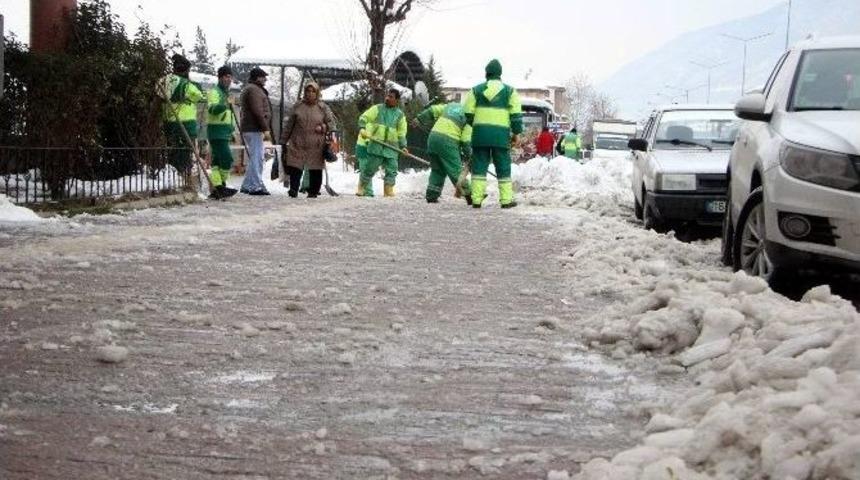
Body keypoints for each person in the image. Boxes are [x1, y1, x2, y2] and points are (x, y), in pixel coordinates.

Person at [464, 59, 523, 209]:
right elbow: (516, 116)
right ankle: (506, 200)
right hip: (501, 136)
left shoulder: (475, 90)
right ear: (500, 73)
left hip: (480, 136)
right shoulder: (510, 91)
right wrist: (516, 133)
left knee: (479, 168)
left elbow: (468, 114)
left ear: (486, 73)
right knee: (503, 167)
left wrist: (478, 126)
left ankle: (476, 200)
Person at [281, 82, 337, 198]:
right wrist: (283, 140)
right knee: (295, 166)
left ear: (317, 93)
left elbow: (331, 125)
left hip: (316, 143)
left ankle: (313, 191)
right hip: (298, 141)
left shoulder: (323, 107)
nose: (310, 94)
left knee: (315, 168)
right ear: (304, 92)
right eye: (308, 91)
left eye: (313, 91)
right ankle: (293, 190)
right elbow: (289, 125)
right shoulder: (298, 106)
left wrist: (322, 127)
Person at [413, 102, 472, 204]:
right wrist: (470, 155)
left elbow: (432, 110)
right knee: (456, 170)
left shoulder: (451, 106)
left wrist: (419, 119)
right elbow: (465, 140)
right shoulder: (470, 117)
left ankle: (432, 195)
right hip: (448, 141)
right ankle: (470, 195)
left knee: (437, 170)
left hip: (433, 138)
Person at [357, 88, 408, 198]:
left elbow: (401, 132)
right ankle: (362, 187)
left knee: (392, 169)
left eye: (391, 97)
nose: (387, 98)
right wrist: (362, 128)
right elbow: (364, 117)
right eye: (387, 96)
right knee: (370, 168)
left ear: (397, 100)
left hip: (392, 148)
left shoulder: (400, 115)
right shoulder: (377, 109)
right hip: (377, 145)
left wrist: (403, 146)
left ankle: (388, 190)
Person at [162, 54, 205, 173]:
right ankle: (184, 177)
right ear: (186, 70)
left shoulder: (164, 80)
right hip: (186, 124)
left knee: (172, 151)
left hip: (168, 123)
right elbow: (199, 96)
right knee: (184, 154)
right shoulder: (187, 85)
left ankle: (173, 175)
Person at [206, 65, 238, 200]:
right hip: (216, 131)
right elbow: (212, 110)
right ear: (220, 77)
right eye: (226, 76)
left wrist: (232, 131)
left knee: (217, 161)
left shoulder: (225, 94)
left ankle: (218, 188)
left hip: (223, 132)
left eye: (230, 77)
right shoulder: (215, 92)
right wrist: (225, 103)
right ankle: (220, 186)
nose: (228, 79)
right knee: (226, 158)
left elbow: (229, 115)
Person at [239, 67, 272, 196]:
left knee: (255, 157)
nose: (265, 79)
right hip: (254, 128)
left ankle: (247, 184)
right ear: (257, 77)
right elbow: (258, 111)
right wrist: (265, 128)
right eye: (263, 76)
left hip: (251, 127)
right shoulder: (254, 90)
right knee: (257, 158)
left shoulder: (252, 89)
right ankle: (254, 186)